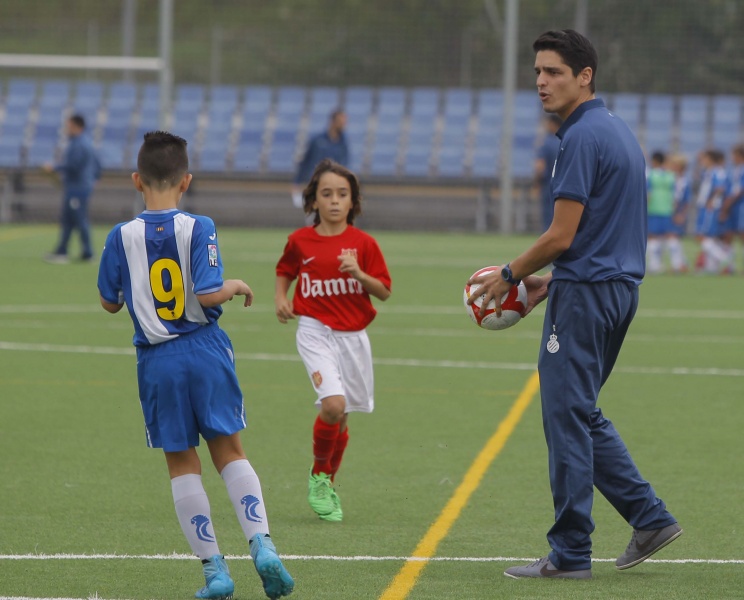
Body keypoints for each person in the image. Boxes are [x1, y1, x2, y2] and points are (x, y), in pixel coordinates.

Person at [467, 29, 681, 580]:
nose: (541, 82)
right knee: (580, 413)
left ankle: (569, 554)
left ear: (584, 76)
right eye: (537, 72)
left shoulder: (580, 137)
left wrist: (514, 274)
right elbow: (599, 234)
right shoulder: (615, 130)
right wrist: (552, 285)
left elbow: (563, 235)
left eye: (554, 72)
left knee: (565, 418)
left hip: (587, 296)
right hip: (610, 291)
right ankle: (649, 518)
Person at [97, 131, 294, 600]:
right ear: (186, 181)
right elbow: (207, 292)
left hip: (157, 360)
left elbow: (109, 302)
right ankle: (262, 544)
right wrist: (238, 284)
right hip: (205, 350)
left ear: (135, 181)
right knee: (229, 451)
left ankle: (215, 573)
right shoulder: (200, 225)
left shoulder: (120, 237)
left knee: (182, 464)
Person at [275, 158, 391, 522]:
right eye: (327, 194)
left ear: (353, 201)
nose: (335, 200)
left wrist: (358, 272)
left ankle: (327, 480)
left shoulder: (364, 244)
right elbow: (285, 270)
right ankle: (318, 477)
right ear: (313, 201)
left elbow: (384, 291)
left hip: (353, 337)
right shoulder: (300, 241)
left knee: (341, 417)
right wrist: (281, 297)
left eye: (342, 194)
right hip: (314, 332)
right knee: (333, 405)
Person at [44, 114, 101, 264]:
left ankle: (88, 253)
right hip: (78, 187)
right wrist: (94, 179)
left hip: (77, 188)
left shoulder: (79, 144)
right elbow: (97, 164)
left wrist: (54, 167)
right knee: (68, 220)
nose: (67, 129)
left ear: (76, 126)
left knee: (79, 219)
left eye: (69, 126)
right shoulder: (86, 142)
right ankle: (62, 251)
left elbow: (74, 166)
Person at [291, 109, 349, 209]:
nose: (344, 125)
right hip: (317, 185)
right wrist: (297, 182)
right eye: (341, 122)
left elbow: (345, 165)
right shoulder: (317, 141)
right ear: (333, 122)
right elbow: (305, 161)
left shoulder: (343, 143)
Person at [693, 149, 729, 273]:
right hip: (704, 206)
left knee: (701, 236)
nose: (703, 161)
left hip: (710, 207)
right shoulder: (707, 172)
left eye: (704, 158)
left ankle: (723, 257)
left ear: (710, 159)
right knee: (709, 237)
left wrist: (711, 201)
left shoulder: (717, 172)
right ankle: (711, 267)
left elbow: (720, 188)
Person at [645, 151, 677, 274]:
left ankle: (655, 265)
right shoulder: (670, 175)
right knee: (667, 237)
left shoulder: (651, 175)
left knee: (652, 236)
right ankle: (675, 264)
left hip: (653, 208)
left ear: (654, 161)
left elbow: (648, 194)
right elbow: (675, 195)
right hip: (667, 209)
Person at [533, 114, 563, 231]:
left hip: (548, 186)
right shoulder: (567, 140)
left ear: (553, 124)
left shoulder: (546, 143)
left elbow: (540, 166)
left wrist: (536, 182)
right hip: (565, 184)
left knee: (548, 220)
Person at [718, 144, 744, 274]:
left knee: (742, 234)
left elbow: (739, 190)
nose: (732, 158)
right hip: (732, 207)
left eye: (734, 155)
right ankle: (729, 266)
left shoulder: (742, 170)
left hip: (740, 207)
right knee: (728, 235)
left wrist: (728, 203)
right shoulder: (734, 170)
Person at [666, 153, 692, 273]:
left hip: (677, 214)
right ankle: (682, 264)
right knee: (671, 239)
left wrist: (681, 214)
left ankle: (678, 265)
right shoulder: (669, 179)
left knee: (673, 239)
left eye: (674, 165)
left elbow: (686, 201)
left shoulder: (684, 182)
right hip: (668, 212)